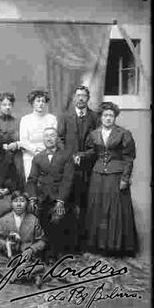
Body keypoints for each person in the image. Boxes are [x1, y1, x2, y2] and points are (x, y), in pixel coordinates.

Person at [77, 102, 139, 257]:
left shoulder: (123, 133)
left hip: (116, 175)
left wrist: (125, 178)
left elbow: (128, 158)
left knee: (114, 209)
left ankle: (115, 246)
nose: (108, 118)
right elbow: (91, 152)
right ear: (100, 117)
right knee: (97, 207)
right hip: (97, 175)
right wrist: (81, 156)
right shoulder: (94, 134)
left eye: (111, 115)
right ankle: (97, 245)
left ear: (115, 117)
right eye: (105, 115)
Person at [57, 85, 98, 252]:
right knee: (68, 203)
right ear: (74, 98)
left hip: (88, 168)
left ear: (88, 98)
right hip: (69, 166)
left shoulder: (95, 117)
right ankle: (67, 243)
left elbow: (97, 142)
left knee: (85, 205)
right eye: (78, 95)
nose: (81, 98)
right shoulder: (66, 116)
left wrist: (84, 155)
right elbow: (59, 138)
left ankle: (84, 243)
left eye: (84, 96)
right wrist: (69, 155)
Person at [26, 127, 75, 263]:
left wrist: (61, 201)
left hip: (59, 198)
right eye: (46, 136)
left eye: (52, 136)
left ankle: (52, 254)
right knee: (35, 218)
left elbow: (68, 180)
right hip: (41, 198)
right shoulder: (38, 157)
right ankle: (38, 252)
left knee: (55, 219)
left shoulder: (66, 156)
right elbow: (31, 180)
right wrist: (32, 198)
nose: (49, 138)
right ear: (43, 139)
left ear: (57, 138)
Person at [0, 191, 47, 287]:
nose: (18, 204)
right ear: (11, 203)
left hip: (25, 258)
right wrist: (6, 244)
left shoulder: (33, 220)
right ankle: (26, 275)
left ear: (26, 204)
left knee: (27, 266)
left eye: (22, 201)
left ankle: (17, 274)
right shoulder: (4, 219)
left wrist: (31, 249)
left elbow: (42, 241)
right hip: (7, 257)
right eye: (15, 201)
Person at [0, 92, 25, 189]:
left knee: (19, 171)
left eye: (9, 105)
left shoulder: (18, 122)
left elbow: (23, 139)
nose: (7, 107)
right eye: (4, 105)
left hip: (16, 155)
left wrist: (16, 144)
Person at [19, 90, 57, 181]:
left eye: (43, 101)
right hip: (30, 156)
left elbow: (54, 139)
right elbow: (23, 141)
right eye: (38, 101)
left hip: (48, 155)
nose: (41, 104)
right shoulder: (25, 120)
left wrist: (45, 152)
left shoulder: (52, 119)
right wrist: (36, 150)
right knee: (32, 183)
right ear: (32, 103)